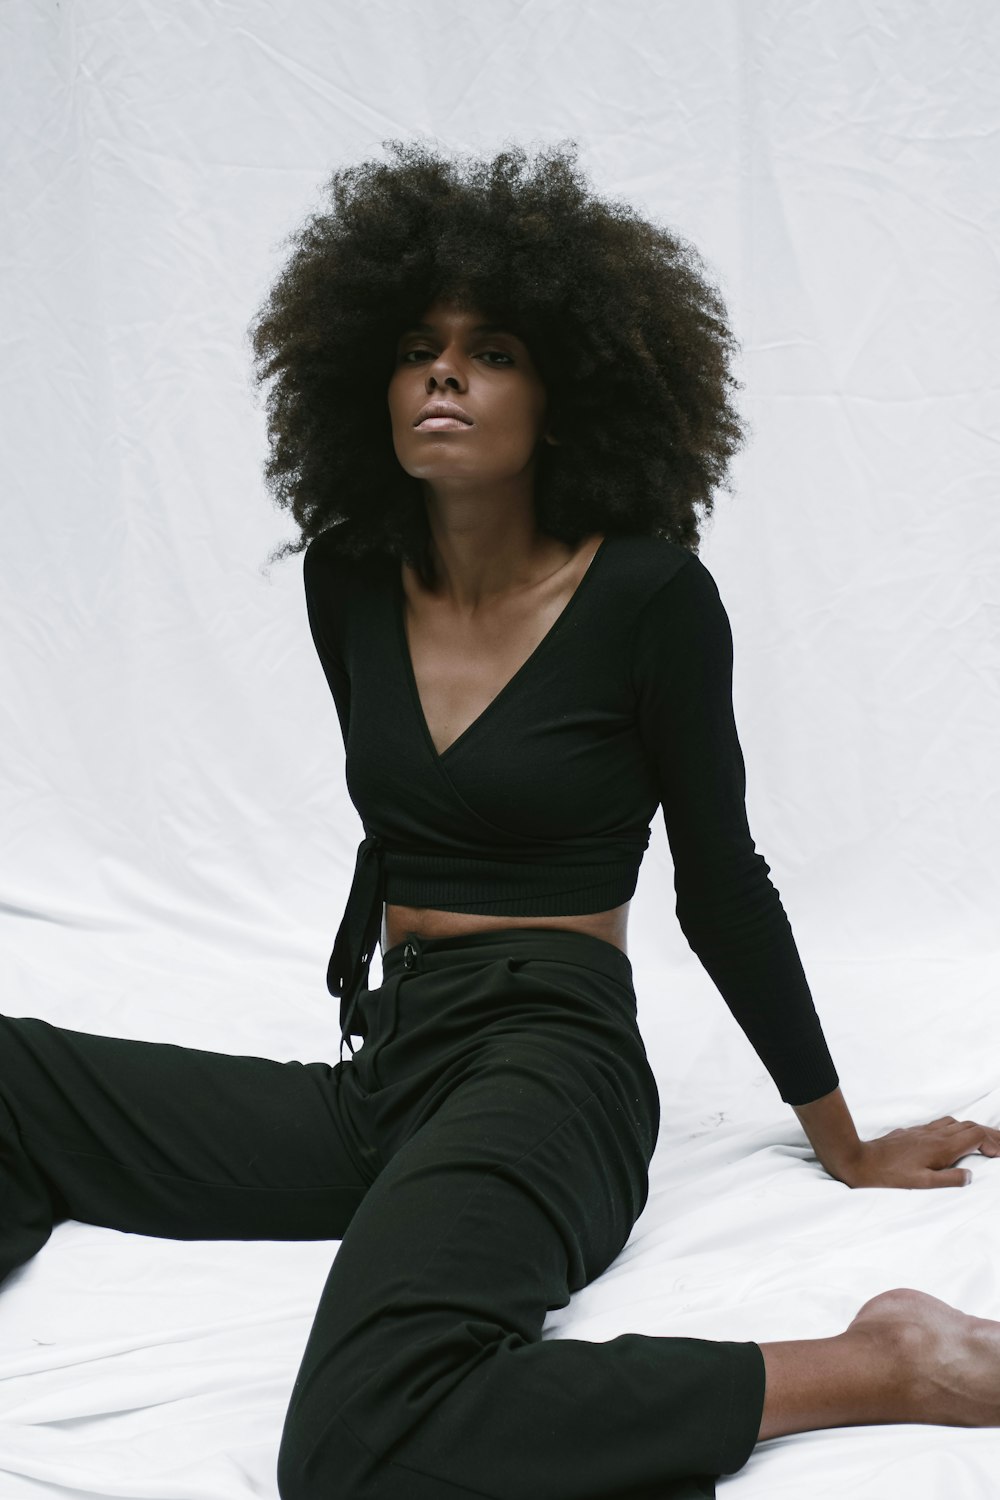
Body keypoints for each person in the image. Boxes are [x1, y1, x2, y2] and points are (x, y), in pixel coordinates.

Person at [2, 139, 998, 1500]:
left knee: (361, 1433)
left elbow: (723, 883)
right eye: (417, 345)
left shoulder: (649, 599)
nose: (445, 372)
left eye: (495, 349)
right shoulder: (352, 581)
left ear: (572, 391)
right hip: (395, 1062)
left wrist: (843, 1139)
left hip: (554, 1061)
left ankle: (877, 1361)